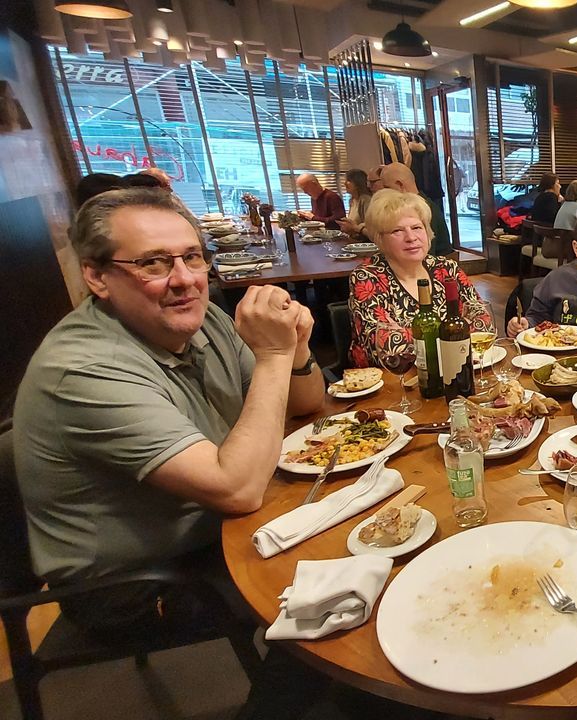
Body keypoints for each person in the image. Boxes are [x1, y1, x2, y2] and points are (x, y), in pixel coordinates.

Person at [13, 188, 326, 717]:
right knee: (327, 594)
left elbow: (304, 405)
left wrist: (295, 352)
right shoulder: (83, 369)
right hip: (136, 581)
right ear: (96, 276)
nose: (184, 278)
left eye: (191, 257)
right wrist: (271, 355)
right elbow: (239, 489)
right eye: (153, 263)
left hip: (212, 530)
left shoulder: (202, 319)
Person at [347, 190, 488, 368]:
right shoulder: (368, 277)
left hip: (453, 369)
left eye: (416, 227)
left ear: (427, 232)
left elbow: (483, 321)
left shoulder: (446, 269)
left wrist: (411, 334)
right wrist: (456, 331)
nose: (411, 238)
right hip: (392, 384)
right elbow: (382, 348)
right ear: (380, 239)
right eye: (397, 231)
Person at [376, 162, 451, 256]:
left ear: (400, 185)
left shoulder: (422, 210)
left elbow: (422, 255)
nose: (384, 192)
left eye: (387, 187)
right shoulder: (419, 206)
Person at [337, 168, 374, 238]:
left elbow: (369, 226)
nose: (345, 183)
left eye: (348, 180)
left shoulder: (365, 200)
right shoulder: (351, 200)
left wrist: (354, 227)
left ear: (357, 183)